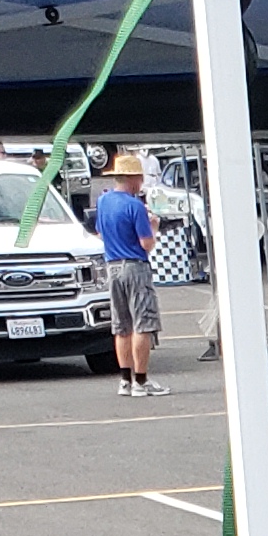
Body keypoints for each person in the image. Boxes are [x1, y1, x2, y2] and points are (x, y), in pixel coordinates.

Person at [95, 156, 163, 396]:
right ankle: (141, 381)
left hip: (112, 266)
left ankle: (125, 379)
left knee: (121, 325)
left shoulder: (103, 201)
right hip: (135, 265)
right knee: (142, 323)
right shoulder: (134, 206)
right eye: (139, 177)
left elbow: (101, 235)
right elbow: (146, 244)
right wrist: (153, 228)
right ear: (133, 179)